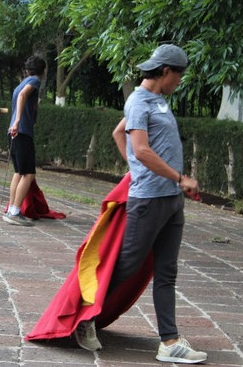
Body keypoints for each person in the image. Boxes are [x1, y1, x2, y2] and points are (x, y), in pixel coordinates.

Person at [74, 43, 207, 364]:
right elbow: (142, 149)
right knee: (126, 266)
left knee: (167, 272)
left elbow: (118, 132)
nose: (180, 81)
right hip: (149, 200)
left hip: (170, 200)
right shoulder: (138, 101)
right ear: (165, 71)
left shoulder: (158, 101)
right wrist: (179, 178)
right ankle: (84, 318)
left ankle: (169, 341)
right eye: (179, 75)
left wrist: (145, 171)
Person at [3, 55, 46, 226]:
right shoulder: (35, 81)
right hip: (22, 131)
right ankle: (14, 212)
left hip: (14, 132)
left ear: (27, 70)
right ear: (43, 71)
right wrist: (18, 121)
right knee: (28, 174)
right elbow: (22, 96)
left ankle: (11, 210)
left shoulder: (22, 82)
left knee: (19, 172)